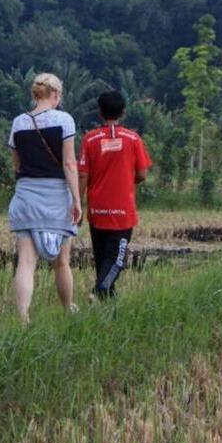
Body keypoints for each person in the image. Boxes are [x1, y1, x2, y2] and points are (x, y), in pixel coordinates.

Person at [7, 73, 81, 323]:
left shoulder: (18, 122)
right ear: (56, 95)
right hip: (57, 196)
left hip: (26, 195)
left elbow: (16, 164)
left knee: (26, 262)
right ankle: (67, 307)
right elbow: (69, 163)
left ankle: (22, 316)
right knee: (62, 261)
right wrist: (77, 200)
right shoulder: (64, 120)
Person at [79, 91, 151, 300]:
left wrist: (78, 205)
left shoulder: (89, 139)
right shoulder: (133, 138)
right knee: (117, 259)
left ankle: (107, 306)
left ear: (100, 112)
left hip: (97, 210)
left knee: (102, 259)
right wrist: (128, 181)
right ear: (124, 112)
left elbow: (83, 174)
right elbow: (142, 173)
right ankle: (99, 291)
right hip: (122, 211)